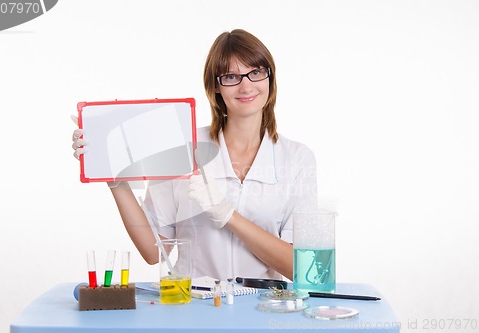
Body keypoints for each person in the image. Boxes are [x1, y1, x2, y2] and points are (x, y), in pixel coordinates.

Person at [72, 29, 317, 281]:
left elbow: (300, 268)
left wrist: (226, 214)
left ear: (270, 78)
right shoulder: (182, 148)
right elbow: (154, 251)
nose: (246, 86)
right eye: (231, 76)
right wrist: (116, 178)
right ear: (215, 87)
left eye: (255, 72)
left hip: (261, 309)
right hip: (192, 306)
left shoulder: (297, 159)